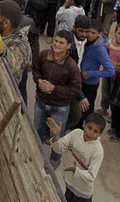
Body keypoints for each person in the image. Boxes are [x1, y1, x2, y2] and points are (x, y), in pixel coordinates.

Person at [33, 30, 81, 165]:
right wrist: (39, 80)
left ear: (68, 46)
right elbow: (35, 68)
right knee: (38, 128)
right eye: (56, 41)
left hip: (59, 107)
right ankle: (37, 153)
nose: (57, 45)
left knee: (57, 136)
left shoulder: (71, 66)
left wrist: (53, 89)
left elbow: (75, 90)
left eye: (62, 43)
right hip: (40, 101)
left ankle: (54, 160)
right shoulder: (43, 55)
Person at [47, 112, 105, 202]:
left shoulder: (98, 151)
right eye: (89, 127)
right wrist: (56, 136)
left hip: (83, 192)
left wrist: (75, 170)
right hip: (69, 182)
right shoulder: (76, 133)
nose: (91, 133)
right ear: (84, 124)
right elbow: (59, 149)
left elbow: (91, 176)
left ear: (100, 134)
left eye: (96, 131)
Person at [0, 0, 33, 102]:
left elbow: (13, 64)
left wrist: (2, 49)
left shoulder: (22, 44)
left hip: (5, 98)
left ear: (6, 23)